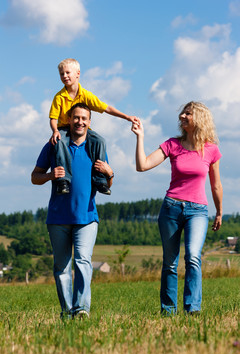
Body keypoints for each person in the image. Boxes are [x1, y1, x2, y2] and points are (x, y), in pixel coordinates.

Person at [131, 101, 223, 315]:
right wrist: (140, 137)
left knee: (192, 256)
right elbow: (142, 165)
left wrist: (219, 211)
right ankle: (168, 310)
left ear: (199, 118)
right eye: (182, 112)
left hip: (198, 210)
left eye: (187, 113)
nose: (182, 116)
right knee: (170, 263)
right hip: (171, 209)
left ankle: (192, 308)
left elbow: (216, 185)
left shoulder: (211, 150)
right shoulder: (172, 144)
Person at [32, 103, 114, 319]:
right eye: (76, 118)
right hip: (58, 218)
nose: (80, 122)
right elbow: (34, 177)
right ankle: (67, 311)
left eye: (84, 118)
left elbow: (108, 183)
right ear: (69, 119)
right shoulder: (54, 145)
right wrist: (51, 175)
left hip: (87, 217)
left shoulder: (96, 146)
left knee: (83, 261)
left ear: (89, 121)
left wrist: (110, 172)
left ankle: (81, 309)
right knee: (62, 267)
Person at [49, 58, 138, 195]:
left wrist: (127, 117)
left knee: (100, 140)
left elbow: (106, 108)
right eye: (61, 74)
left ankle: (99, 180)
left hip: (83, 130)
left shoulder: (85, 95)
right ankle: (63, 180)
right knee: (59, 141)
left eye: (67, 72)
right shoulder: (59, 97)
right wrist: (55, 131)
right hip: (65, 129)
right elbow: (53, 118)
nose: (64, 76)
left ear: (78, 74)